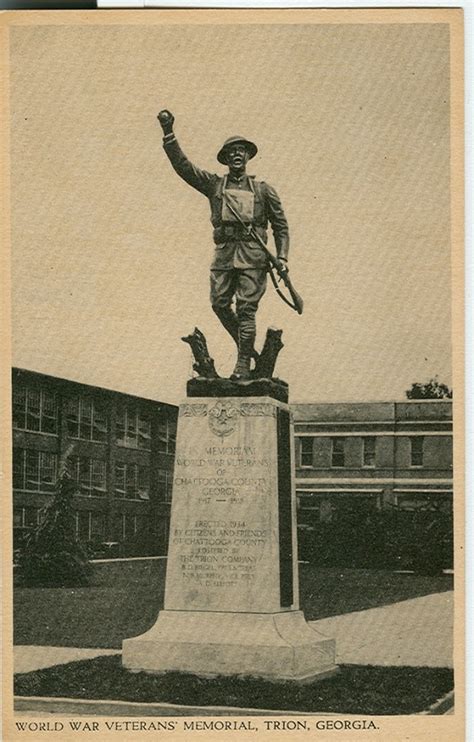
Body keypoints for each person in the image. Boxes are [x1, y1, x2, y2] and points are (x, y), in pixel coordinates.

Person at [157, 109, 290, 380]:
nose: (237, 155)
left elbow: (281, 226)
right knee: (219, 304)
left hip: (253, 255)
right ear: (226, 158)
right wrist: (168, 132)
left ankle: (243, 364)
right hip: (224, 253)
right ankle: (249, 349)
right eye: (232, 152)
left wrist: (283, 257)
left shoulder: (264, 190)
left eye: (241, 150)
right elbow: (184, 167)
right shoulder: (214, 185)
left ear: (248, 156)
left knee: (246, 309)